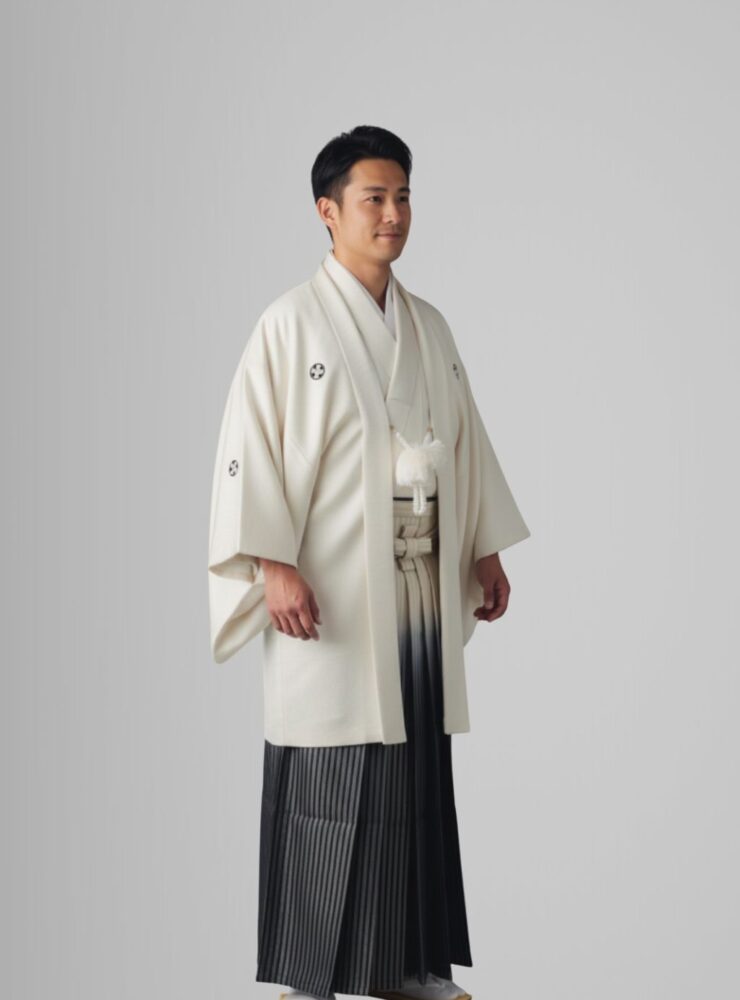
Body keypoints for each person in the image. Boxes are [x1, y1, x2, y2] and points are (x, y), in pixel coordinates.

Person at [207, 125, 531, 1000]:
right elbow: (249, 447)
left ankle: (405, 966)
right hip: (332, 588)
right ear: (328, 210)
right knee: (327, 772)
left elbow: (465, 443)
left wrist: (483, 547)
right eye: (373, 198)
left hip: (416, 585)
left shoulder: (429, 326)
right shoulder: (289, 323)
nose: (393, 214)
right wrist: (271, 561)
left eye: (403, 197)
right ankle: (307, 977)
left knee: (414, 770)